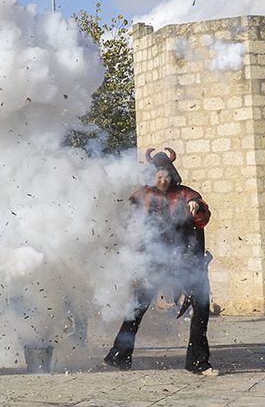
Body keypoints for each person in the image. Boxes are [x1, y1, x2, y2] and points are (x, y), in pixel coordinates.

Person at [104, 148, 216, 376]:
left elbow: (202, 214)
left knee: (202, 307)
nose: (163, 179)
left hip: (185, 260)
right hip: (155, 261)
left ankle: (198, 362)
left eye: (166, 175)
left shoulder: (186, 194)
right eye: (158, 175)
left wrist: (196, 207)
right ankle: (118, 356)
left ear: (172, 175)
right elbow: (128, 221)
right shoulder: (141, 195)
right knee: (136, 308)